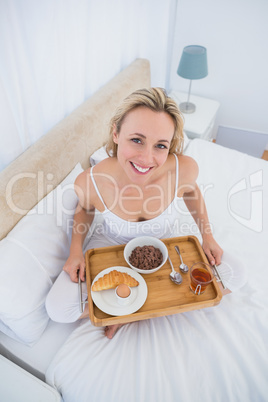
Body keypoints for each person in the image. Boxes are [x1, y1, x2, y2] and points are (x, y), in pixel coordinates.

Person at [46, 87, 223, 339]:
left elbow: (191, 193)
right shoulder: (90, 181)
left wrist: (208, 236)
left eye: (160, 145)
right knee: (58, 309)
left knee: (234, 276)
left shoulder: (183, 169)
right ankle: (136, 308)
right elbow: (84, 208)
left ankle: (131, 311)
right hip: (111, 245)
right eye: (137, 140)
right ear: (116, 133)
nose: (146, 158)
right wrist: (75, 251)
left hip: (165, 244)